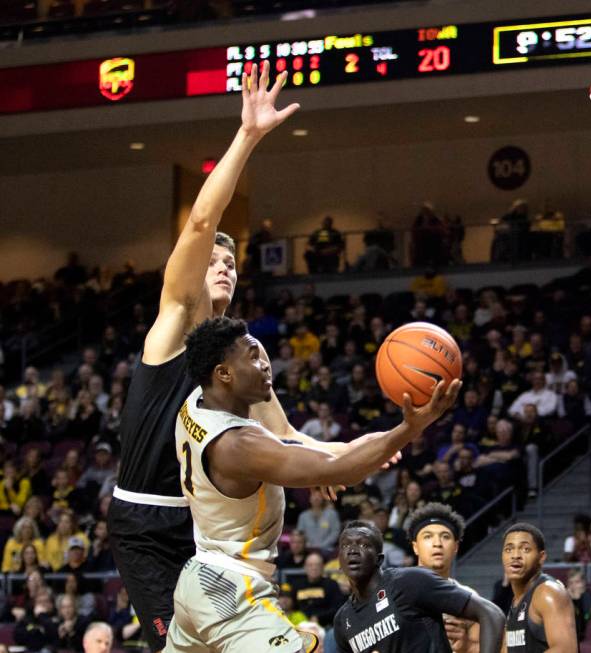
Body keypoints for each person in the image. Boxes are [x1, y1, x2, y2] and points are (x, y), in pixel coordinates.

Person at [107, 61, 301, 653]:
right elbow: (200, 222)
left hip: (206, 527)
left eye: (233, 265)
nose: (225, 266)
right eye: (216, 261)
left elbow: (286, 436)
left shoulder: (241, 358)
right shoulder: (171, 325)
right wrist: (247, 136)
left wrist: (365, 452)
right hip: (145, 525)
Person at [164, 316, 461, 652]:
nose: (265, 364)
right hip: (231, 590)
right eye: (252, 357)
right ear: (224, 373)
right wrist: (410, 428)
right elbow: (339, 469)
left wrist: (354, 450)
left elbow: (292, 443)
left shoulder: (197, 402)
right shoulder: (237, 445)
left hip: (198, 575)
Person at [333, 520, 504, 653]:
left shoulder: (409, 582)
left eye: (363, 545)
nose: (353, 551)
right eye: (346, 546)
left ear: (379, 559)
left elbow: (491, 614)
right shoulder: (342, 620)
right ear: (339, 561)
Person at [410, 502, 481, 653]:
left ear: (455, 547)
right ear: (415, 547)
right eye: (428, 537)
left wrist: (468, 647)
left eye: (445, 537)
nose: (437, 544)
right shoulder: (394, 592)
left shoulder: (469, 597)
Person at [500, 522, 577, 653]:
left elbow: (566, 650)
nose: (515, 555)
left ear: (541, 557)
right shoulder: (516, 601)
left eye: (525, 549)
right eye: (509, 549)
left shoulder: (548, 592)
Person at [290, 552, 345, 628]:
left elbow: (338, 608)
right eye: (310, 565)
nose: (314, 568)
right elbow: (292, 608)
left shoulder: (331, 584)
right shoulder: (297, 585)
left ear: (323, 567)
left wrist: (319, 618)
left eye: (317, 565)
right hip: (300, 625)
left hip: (326, 625)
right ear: (305, 567)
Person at [296, 488, 341, 556]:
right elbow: (300, 534)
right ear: (309, 498)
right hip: (308, 549)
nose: (316, 498)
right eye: (314, 495)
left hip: (327, 549)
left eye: (319, 496)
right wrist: (309, 546)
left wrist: (322, 546)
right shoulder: (303, 516)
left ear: (323, 498)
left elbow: (335, 533)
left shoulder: (332, 514)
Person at [566, 569, 591, 642]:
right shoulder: (563, 599)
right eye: (571, 583)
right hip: (568, 636)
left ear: (583, 583)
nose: (573, 586)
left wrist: (576, 601)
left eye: (577, 582)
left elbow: (585, 623)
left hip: (588, 635)